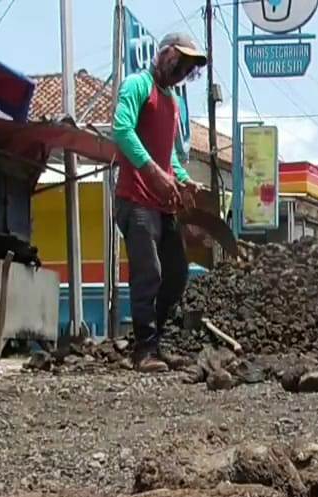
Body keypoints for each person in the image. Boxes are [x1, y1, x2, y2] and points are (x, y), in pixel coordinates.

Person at [112, 32, 208, 372]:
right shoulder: (137, 86)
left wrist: (182, 179)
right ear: (165, 54)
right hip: (135, 198)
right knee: (148, 271)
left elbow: (169, 158)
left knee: (177, 274)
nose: (183, 71)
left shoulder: (175, 103)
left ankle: (155, 342)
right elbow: (122, 130)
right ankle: (143, 350)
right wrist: (152, 172)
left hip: (162, 202)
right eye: (179, 62)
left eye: (189, 67)